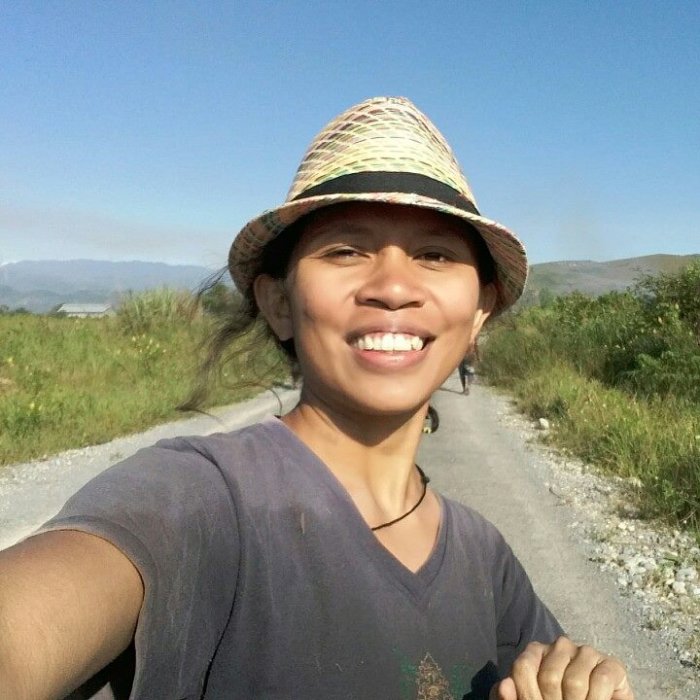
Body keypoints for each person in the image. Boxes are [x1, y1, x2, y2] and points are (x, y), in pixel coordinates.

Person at [0, 97, 633, 700]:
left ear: (477, 316)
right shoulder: (198, 498)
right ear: (279, 303)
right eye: (346, 251)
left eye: (434, 254)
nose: (393, 287)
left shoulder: (484, 558)